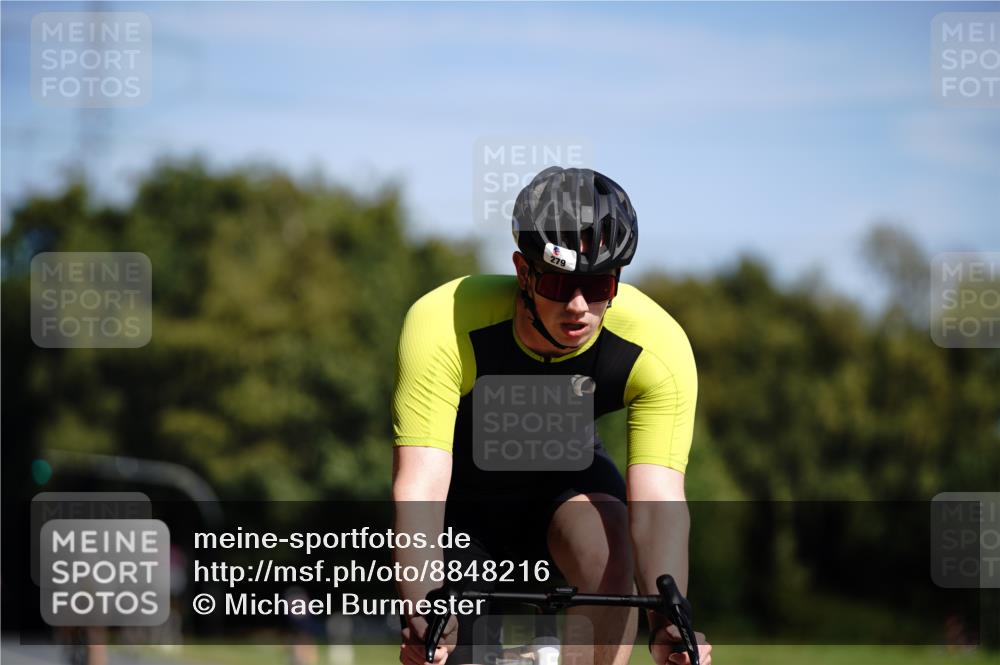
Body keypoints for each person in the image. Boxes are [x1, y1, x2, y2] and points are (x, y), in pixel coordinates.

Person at [392, 167, 712, 665]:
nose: (580, 306)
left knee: (612, 542)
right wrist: (421, 606)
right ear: (524, 271)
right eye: (561, 284)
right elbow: (420, 486)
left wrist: (670, 621)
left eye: (600, 284)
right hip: (463, 503)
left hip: (568, 484)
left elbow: (658, 499)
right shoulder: (444, 322)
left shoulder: (657, 346)